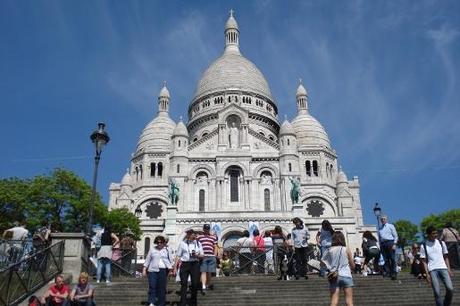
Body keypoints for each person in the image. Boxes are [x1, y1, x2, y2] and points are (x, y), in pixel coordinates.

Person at [420, 225, 454, 306]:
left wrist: (449, 269)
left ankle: (446, 304)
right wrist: (427, 274)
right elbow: (424, 261)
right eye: (433, 233)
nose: (436, 235)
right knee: (437, 292)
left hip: (443, 267)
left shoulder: (441, 243)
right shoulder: (423, 245)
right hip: (432, 269)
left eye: (436, 233)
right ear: (428, 234)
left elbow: (446, 257)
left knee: (450, 289)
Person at [321, 231, 355, 306]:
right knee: (349, 302)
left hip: (334, 276)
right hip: (346, 275)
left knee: (334, 301)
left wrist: (329, 265)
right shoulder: (346, 249)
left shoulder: (329, 250)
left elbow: (322, 264)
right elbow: (353, 265)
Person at [173, 229, 204, 306]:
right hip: (185, 264)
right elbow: (178, 256)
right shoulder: (182, 244)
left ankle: (193, 301)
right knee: (183, 283)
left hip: (195, 264)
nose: (194, 236)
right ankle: (182, 302)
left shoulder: (198, 244)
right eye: (192, 234)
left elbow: (202, 256)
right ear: (188, 235)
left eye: (194, 234)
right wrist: (174, 268)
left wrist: (196, 255)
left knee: (194, 283)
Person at [143, 235, 173, 306]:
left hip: (163, 270)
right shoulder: (152, 249)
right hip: (152, 270)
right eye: (157, 242)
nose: (159, 244)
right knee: (152, 286)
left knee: (162, 288)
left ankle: (161, 303)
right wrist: (144, 269)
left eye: (161, 242)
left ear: (163, 243)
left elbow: (171, 260)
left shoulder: (167, 250)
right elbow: (147, 260)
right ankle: (152, 302)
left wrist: (171, 270)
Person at [197, 224, 218, 293]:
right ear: (203, 229)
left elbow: (215, 246)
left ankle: (207, 285)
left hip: (211, 256)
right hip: (203, 256)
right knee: (203, 271)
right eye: (205, 228)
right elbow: (196, 245)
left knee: (209, 272)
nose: (206, 230)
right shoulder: (199, 237)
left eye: (208, 228)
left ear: (209, 229)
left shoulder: (213, 237)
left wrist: (214, 255)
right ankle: (203, 286)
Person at [378, 215, 398, 280]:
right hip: (383, 244)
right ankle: (388, 272)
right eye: (381, 219)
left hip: (390, 242)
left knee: (392, 258)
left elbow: (395, 236)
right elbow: (379, 238)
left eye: (384, 219)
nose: (383, 220)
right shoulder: (380, 228)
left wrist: (394, 244)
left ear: (386, 219)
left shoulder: (391, 226)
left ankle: (394, 272)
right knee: (385, 259)